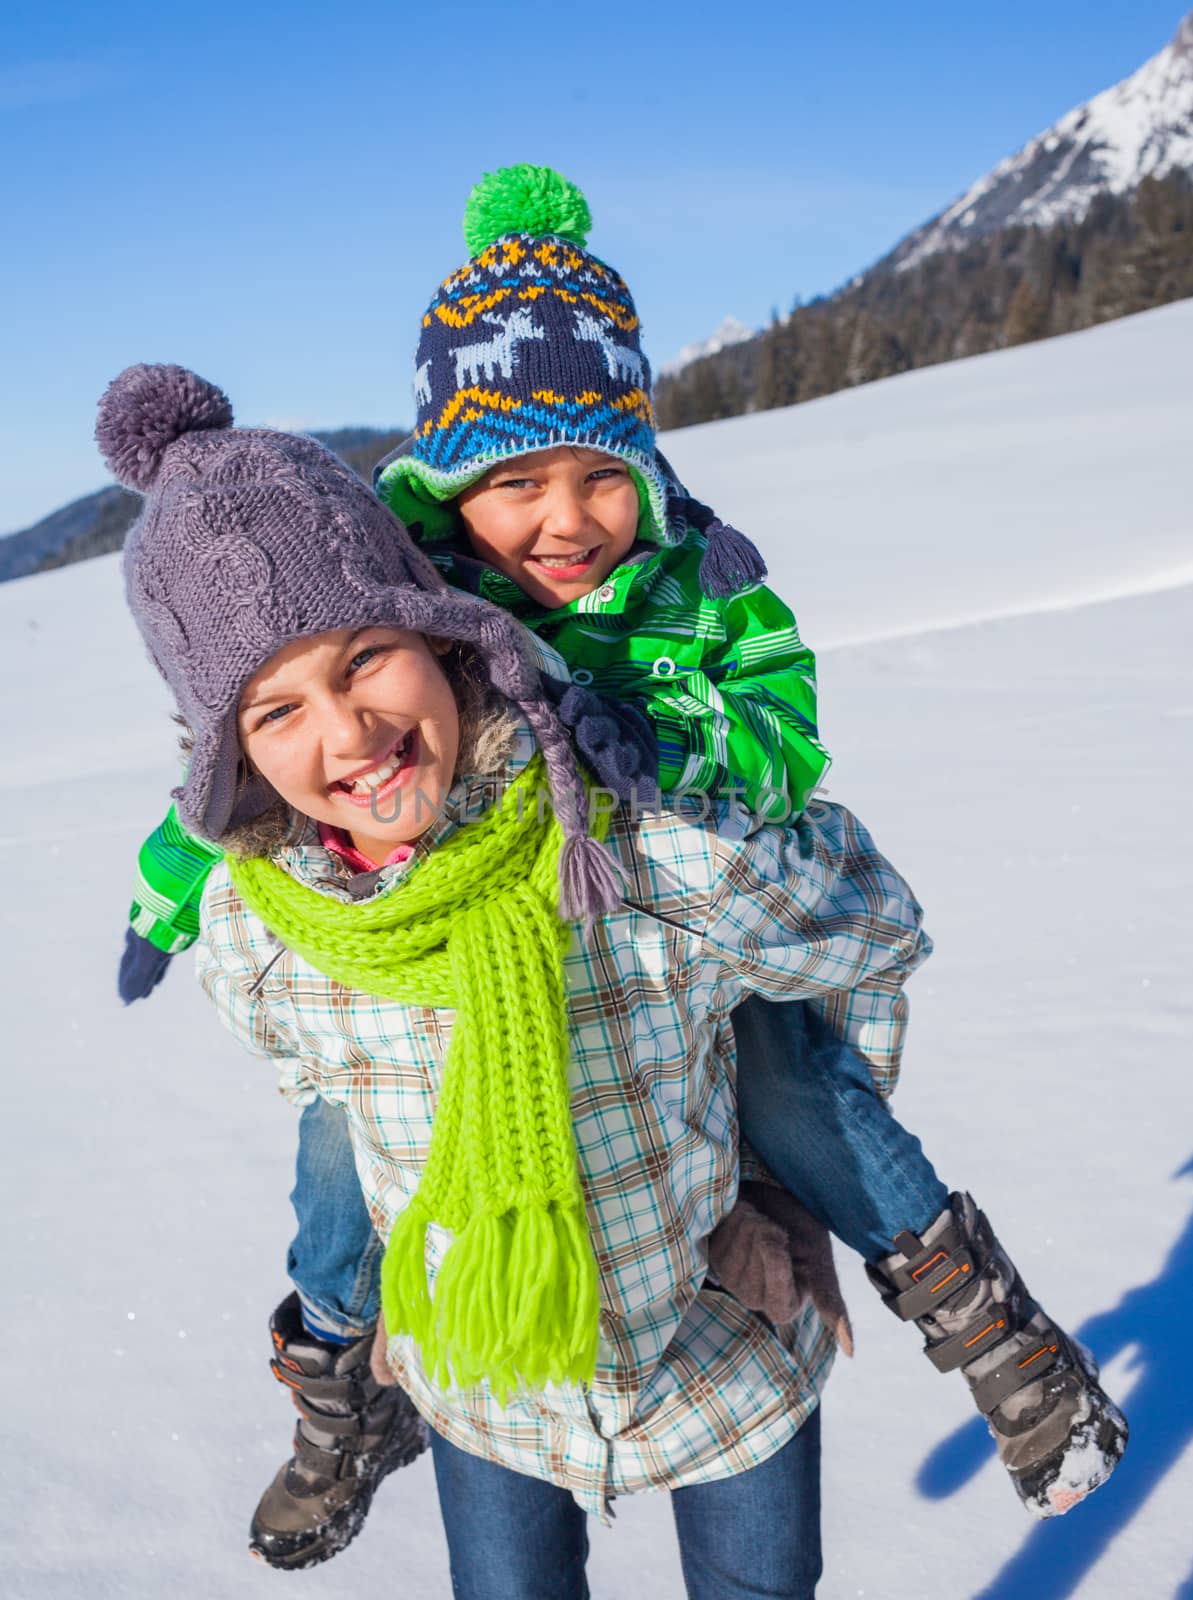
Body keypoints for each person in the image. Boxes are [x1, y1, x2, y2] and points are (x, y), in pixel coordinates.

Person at [111, 164, 1127, 1564]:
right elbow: (236, 784)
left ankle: (965, 1296)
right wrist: (163, 905)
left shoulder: (695, 596)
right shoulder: (383, 677)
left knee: (783, 1058)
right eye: (515, 482)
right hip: (496, 1364)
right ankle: (336, 1373)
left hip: (705, 1267)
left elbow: (807, 794)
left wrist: (657, 757)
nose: (566, 520)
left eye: (602, 476)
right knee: (334, 1140)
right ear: (440, 518)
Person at [103, 360, 935, 1597]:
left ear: (451, 643)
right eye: (273, 713)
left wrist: (785, 1171)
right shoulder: (261, 935)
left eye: (367, 657)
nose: (346, 734)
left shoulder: (631, 849)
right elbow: (318, 1090)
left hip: (716, 1352)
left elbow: (866, 932)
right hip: (481, 1382)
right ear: (227, 762)